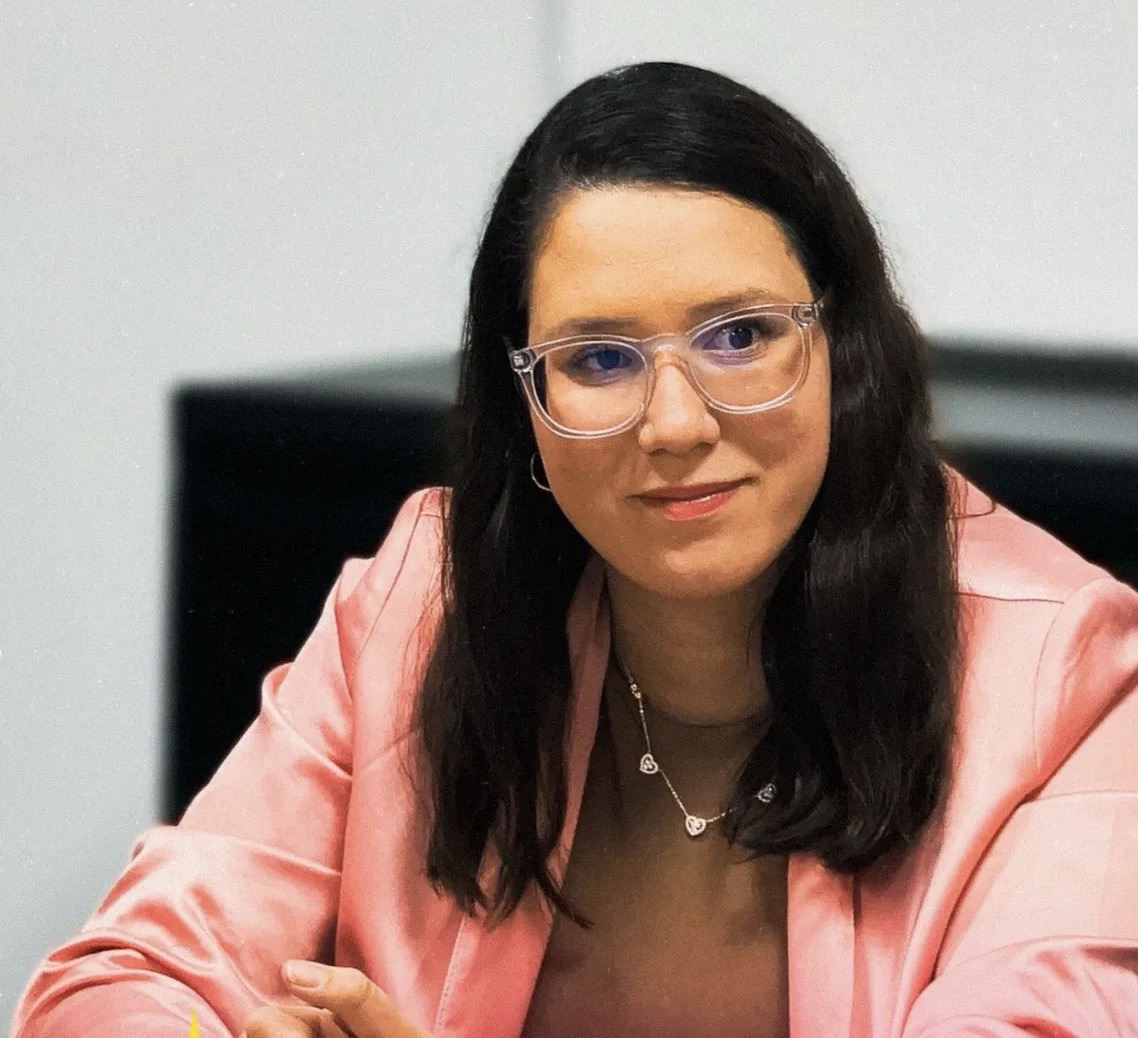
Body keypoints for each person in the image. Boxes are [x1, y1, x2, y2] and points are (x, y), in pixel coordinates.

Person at [11, 61, 1138, 1038]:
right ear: (527, 406)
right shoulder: (419, 605)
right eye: (598, 359)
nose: (675, 424)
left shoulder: (1073, 676)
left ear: (845, 351)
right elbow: (120, 978)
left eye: (740, 336)